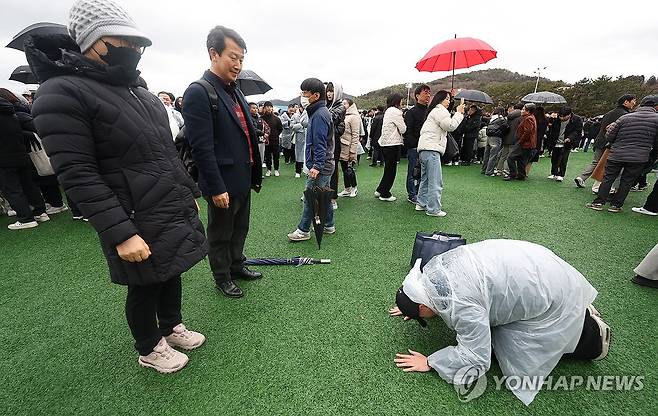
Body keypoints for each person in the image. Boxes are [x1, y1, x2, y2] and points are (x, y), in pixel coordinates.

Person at [29, 0, 208, 373]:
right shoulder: (61, 92)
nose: (132, 49)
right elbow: (77, 173)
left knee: (171, 269)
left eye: (136, 42)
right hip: (132, 212)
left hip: (165, 203)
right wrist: (121, 233)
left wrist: (187, 192)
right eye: (121, 40)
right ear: (92, 41)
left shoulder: (140, 94)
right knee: (143, 284)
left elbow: (165, 154)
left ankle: (171, 326)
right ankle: (149, 346)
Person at [390, 240, 609, 406]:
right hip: (541, 268)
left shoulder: (463, 307)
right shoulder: (435, 269)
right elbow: (431, 298)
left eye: (421, 313)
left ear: (423, 306)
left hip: (552, 294)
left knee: (512, 348)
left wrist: (430, 362)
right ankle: (579, 310)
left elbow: (476, 358)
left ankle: (593, 339)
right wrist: (412, 303)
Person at [182, 25, 263, 299]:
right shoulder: (199, 91)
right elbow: (201, 148)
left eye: (242, 59)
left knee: (240, 227)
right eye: (233, 57)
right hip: (222, 182)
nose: (238, 64)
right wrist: (215, 188)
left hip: (242, 177)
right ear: (213, 54)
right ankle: (222, 276)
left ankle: (237, 265)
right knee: (220, 232)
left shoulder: (235, 90)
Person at [587, 96, 658, 213]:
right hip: (639, 156)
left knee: (608, 178)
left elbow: (609, 136)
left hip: (617, 153)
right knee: (627, 181)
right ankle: (616, 205)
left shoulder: (625, 118)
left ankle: (598, 202)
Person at [287, 78, 335, 241]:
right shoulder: (318, 112)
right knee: (322, 196)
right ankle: (329, 225)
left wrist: (316, 166)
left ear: (315, 95)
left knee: (310, 197)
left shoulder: (319, 114)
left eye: (305, 93)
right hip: (323, 164)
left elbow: (320, 143)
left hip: (320, 165)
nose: (302, 96)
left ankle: (304, 230)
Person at [0, 97, 49, 230]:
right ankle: (41, 212)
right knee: (29, 185)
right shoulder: (11, 112)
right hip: (21, 155)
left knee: (12, 190)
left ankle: (25, 218)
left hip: (4, 160)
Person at [415, 90, 464, 217]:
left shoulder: (434, 111)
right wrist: (459, 114)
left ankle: (421, 203)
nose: (449, 101)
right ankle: (433, 209)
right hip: (432, 149)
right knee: (435, 181)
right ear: (440, 100)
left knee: (425, 179)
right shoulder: (440, 111)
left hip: (425, 149)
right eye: (447, 99)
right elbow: (450, 126)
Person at [575, 95, 636, 188]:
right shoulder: (625, 115)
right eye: (633, 101)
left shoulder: (609, 113)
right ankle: (597, 186)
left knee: (596, 162)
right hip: (609, 143)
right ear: (626, 102)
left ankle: (582, 177)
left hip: (600, 140)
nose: (634, 103)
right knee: (606, 165)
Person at [375, 93, 406, 202]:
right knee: (391, 170)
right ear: (397, 101)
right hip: (392, 144)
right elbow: (403, 129)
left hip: (384, 143)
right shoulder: (396, 112)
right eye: (401, 100)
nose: (402, 102)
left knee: (388, 169)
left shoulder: (388, 111)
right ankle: (385, 193)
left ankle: (380, 189)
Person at [403, 84, 430, 203]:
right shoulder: (411, 112)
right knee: (413, 171)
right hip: (414, 147)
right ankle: (412, 194)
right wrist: (414, 144)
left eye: (429, 93)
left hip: (427, 146)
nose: (428, 95)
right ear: (417, 96)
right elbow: (407, 131)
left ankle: (420, 192)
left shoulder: (430, 111)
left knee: (424, 172)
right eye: (425, 93)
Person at [547, 107, 583, 182]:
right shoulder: (556, 119)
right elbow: (552, 129)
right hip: (556, 141)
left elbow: (577, 131)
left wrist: (570, 138)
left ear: (569, 115)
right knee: (554, 158)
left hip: (567, 142)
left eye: (564, 116)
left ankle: (561, 174)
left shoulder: (577, 120)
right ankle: (554, 173)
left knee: (563, 158)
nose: (562, 118)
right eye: (560, 116)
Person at [325, 82, 346, 210]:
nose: (329, 93)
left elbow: (330, 118)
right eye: (327, 90)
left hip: (334, 142)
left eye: (332, 91)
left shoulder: (340, 106)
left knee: (333, 169)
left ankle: (333, 197)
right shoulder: (325, 105)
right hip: (323, 141)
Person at [505, 103, 537, 181]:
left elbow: (527, 132)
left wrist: (520, 141)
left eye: (523, 109)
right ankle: (521, 175)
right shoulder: (531, 117)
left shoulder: (528, 119)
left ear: (528, 111)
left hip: (524, 143)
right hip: (528, 144)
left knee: (510, 157)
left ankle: (513, 174)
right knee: (521, 159)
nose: (521, 111)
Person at [337, 98, 360, 197]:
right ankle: (347, 188)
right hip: (342, 146)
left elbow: (355, 135)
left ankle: (354, 187)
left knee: (349, 168)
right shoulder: (343, 115)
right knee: (344, 168)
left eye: (345, 103)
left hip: (349, 146)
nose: (343, 105)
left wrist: (353, 150)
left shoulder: (354, 117)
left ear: (350, 105)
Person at [496, 103, 523, 175]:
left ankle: (499, 169)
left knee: (503, 155)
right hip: (514, 138)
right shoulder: (521, 117)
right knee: (510, 156)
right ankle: (506, 170)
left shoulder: (510, 116)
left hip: (506, 137)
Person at [481, 107, 507, 176]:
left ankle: (484, 169)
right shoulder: (502, 119)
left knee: (486, 154)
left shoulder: (491, 118)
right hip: (496, 137)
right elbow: (506, 128)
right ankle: (489, 171)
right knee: (493, 155)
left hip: (489, 136)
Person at [261, 101, 283, 177]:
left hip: (275, 141)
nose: (268, 108)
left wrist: (276, 135)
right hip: (266, 141)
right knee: (267, 156)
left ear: (272, 108)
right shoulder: (261, 118)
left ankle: (276, 169)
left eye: (270, 107)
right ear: (264, 108)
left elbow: (280, 129)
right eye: (267, 107)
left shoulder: (277, 119)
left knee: (276, 156)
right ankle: (269, 170)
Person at [526, 105, 547, 175]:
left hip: (530, 139)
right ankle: (526, 173)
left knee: (525, 157)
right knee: (531, 159)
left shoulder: (532, 119)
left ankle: (520, 171)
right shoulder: (545, 120)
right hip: (538, 141)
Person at [249, 102, 269, 166]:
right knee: (254, 159)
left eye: (256, 108)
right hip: (253, 141)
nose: (255, 109)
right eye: (253, 108)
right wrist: (263, 133)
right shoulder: (248, 118)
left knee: (261, 158)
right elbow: (253, 129)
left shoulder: (260, 118)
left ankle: (259, 174)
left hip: (261, 141)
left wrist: (267, 133)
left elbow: (266, 127)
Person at [292, 103, 308, 178]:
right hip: (299, 137)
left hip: (307, 136)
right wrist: (302, 125)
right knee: (298, 154)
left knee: (306, 154)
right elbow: (292, 126)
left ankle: (306, 170)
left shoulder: (308, 113)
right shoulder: (295, 115)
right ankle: (297, 171)